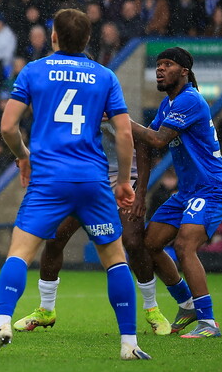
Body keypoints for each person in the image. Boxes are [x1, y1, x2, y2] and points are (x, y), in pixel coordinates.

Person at [0, 8, 150, 361]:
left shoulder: (34, 71)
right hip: (92, 179)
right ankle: (129, 343)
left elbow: (7, 127)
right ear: (87, 40)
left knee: (20, 253)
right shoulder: (104, 76)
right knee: (115, 260)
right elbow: (123, 133)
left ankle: (2, 323)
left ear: (53, 36)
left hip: (49, 179)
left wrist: (23, 155)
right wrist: (123, 180)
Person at [13, 121, 172, 336]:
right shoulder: (79, 116)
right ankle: (46, 309)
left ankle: (152, 309)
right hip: (88, 181)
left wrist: (141, 194)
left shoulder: (122, 117)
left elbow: (144, 150)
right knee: (55, 238)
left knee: (133, 242)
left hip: (124, 181)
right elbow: (59, 146)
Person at [131, 47, 222, 339]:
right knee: (150, 244)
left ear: (184, 72)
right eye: (158, 64)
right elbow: (145, 142)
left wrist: (120, 119)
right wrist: (140, 192)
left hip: (212, 188)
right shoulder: (168, 104)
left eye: (168, 64)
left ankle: (208, 322)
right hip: (188, 191)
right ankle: (187, 304)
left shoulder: (189, 99)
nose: (160, 69)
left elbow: (157, 139)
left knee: (184, 246)